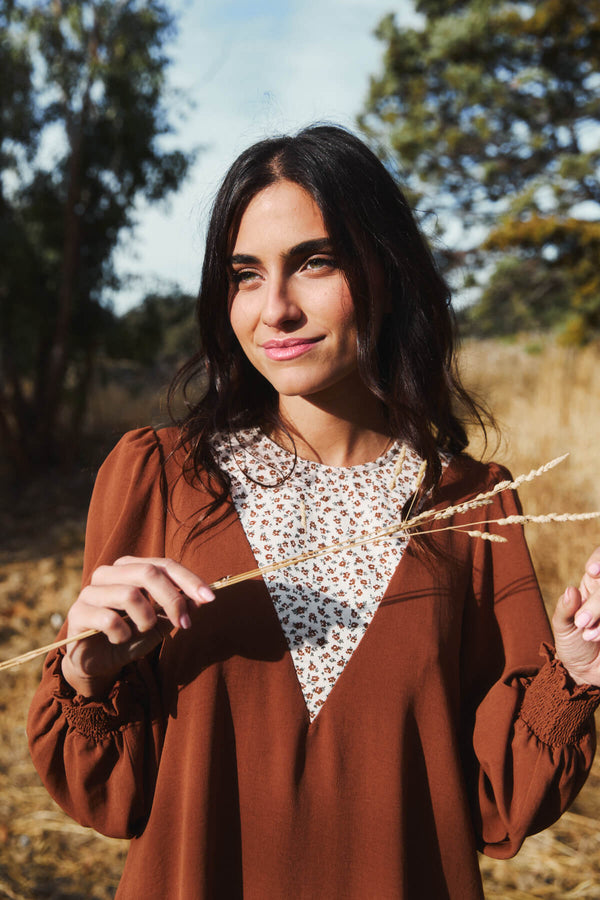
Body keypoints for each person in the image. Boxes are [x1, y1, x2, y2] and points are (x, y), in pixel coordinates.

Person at [28, 125, 600, 900]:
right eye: (245, 275)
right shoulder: (159, 477)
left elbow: (498, 806)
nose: (276, 310)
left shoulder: (471, 505)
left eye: (314, 262)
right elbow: (110, 797)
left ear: (386, 272)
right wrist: (86, 676)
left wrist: (576, 669)